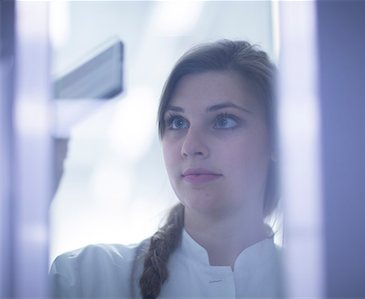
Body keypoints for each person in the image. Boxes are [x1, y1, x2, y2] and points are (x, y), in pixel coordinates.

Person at [49, 39, 283, 299]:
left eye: (223, 120)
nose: (190, 146)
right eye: (178, 121)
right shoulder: (85, 279)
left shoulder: (324, 283)